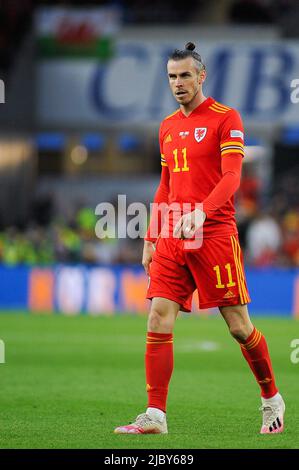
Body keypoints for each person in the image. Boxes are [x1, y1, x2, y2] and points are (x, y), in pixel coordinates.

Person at [114, 42, 285, 435]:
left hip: (214, 234)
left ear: (201, 76)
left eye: (185, 75)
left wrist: (201, 212)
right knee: (158, 315)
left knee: (239, 326)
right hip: (173, 234)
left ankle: (271, 397)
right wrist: (151, 235)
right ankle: (155, 415)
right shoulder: (167, 126)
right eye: (172, 76)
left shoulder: (227, 118)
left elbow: (231, 179)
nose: (178, 83)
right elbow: (164, 185)